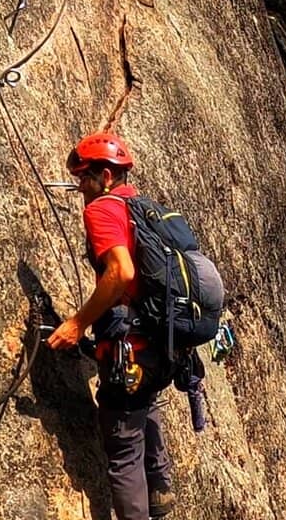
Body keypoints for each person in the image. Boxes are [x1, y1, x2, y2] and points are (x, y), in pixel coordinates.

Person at [48, 132, 177, 519]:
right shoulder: (143, 207)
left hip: (131, 343)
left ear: (105, 175)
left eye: (83, 178)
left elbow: (121, 272)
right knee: (144, 401)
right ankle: (160, 490)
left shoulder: (102, 208)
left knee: (122, 447)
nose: (79, 187)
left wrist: (76, 323)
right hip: (163, 341)